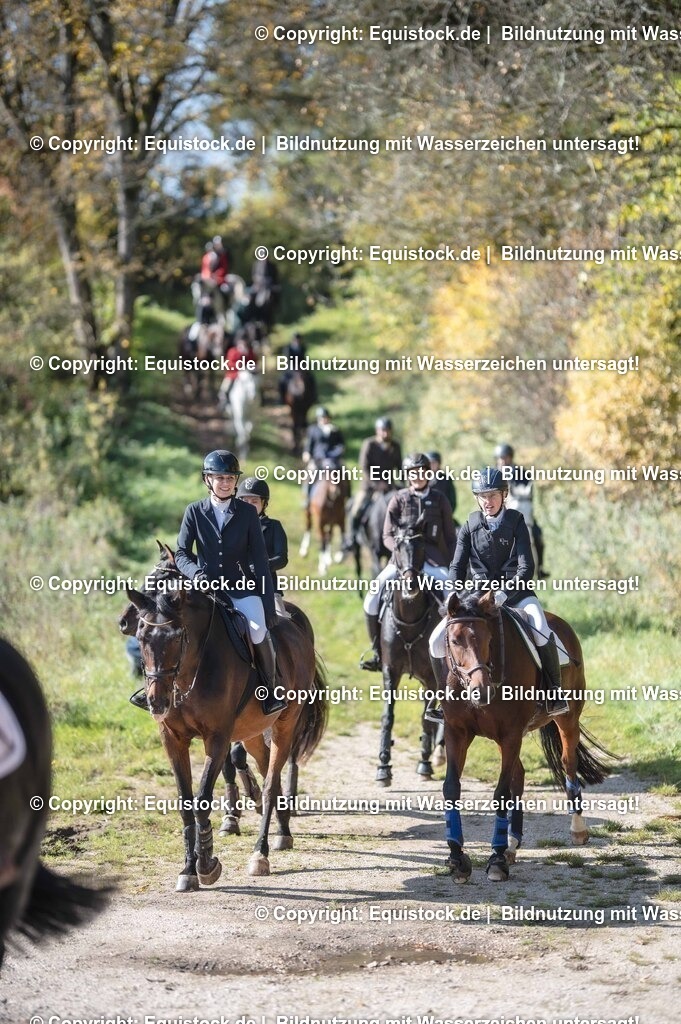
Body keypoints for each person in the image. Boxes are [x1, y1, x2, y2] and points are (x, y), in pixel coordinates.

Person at [427, 467, 568, 720]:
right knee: (435, 641)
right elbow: (457, 566)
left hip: (516, 594)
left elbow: (527, 568)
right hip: (477, 597)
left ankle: (553, 692)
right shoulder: (470, 524)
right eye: (482, 496)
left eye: (492, 495)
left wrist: (504, 593)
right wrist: (453, 592)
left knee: (541, 628)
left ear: (504, 495)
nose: (487, 501)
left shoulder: (516, 522)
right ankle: (442, 697)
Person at [173, 450, 285, 715]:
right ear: (207, 480)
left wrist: (268, 606)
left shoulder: (247, 513)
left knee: (257, 631)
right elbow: (181, 553)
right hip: (206, 592)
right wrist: (196, 575)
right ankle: (163, 690)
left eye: (230, 478)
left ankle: (270, 688)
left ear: (236, 482)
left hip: (241, 590)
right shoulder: (194, 511)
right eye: (219, 477)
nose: (225, 482)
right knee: (172, 631)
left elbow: (259, 560)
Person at [360, 452, 456, 671]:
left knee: (452, 599)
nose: (417, 476)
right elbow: (386, 535)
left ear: (428, 473)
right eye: (413, 473)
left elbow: (450, 538)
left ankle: (451, 653)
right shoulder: (399, 498)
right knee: (371, 598)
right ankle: (377, 651)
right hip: (402, 563)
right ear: (407, 475)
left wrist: (451, 567)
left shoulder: (440, 500)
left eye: (421, 472)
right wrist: (402, 553)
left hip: (432, 561)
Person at [236, 476, 289, 616]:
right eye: (245, 501)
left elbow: (282, 558)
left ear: (264, 504)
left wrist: (262, 567)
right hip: (236, 587)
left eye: (254, 501)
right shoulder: (231, 527)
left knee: (281, 621)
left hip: (268, 588)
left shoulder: (274, 527)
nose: (249, 505)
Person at [347, 417, 403, 547]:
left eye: (388, 431)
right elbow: (364, 468)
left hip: (390, 486)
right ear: (377, 431)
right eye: (382, 430)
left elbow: (400, 467)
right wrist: (376, 484)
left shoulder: (396, 446)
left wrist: (404, 484)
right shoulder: (369, 444)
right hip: (370, 487)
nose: (385, 434)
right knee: (356, 509)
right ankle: (351, 539)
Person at [495, 443, 548, 578]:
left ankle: (540, 569)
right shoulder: (494, 474)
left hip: (522, 510)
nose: (502, 461)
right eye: (500, 458)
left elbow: (528, 494)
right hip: (498, 512)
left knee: (538, 535)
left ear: (510, 458)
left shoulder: (521, 473)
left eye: (505, 458)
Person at [302, 407, 345, 509]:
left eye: (326, 417)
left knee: (345, 473)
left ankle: (347, 497)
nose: (324, 420)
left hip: (333, 460)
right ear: (318, 419)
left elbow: (341, 445)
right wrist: (307, 453)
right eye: (322, 418)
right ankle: (307, 499)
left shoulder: (335, 430)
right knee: (309, 475)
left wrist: (337, 453)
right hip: (318, 460)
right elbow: (309, 444)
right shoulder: (313, 430)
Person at [278, 332, 307, 404]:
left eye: (298, 339)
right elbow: (288, 360)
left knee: (310, 379)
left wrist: (302, 369)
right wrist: (294, 370)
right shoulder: (288, 348)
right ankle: (281, 398)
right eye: (295, 339)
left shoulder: (303, 348)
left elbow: (303, 360)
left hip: (300, 370)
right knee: (282, 380)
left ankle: (313, 397)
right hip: (290, 369)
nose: (297, 341)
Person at [427, 451, 457, 520]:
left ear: (439, 463)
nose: (432, 465)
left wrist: (447, 514)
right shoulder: (422, 479)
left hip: (443, 515)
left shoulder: (446, 479)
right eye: (430, 463)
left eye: (434, 462)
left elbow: (452, 500)